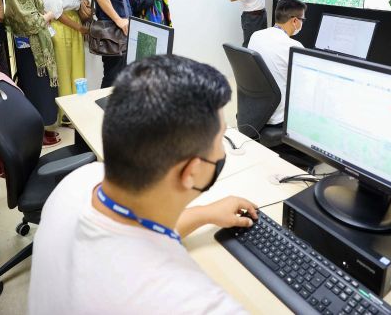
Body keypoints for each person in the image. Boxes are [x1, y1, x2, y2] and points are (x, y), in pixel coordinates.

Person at [28, 55, 257, 314]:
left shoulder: (76, 183)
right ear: (191, 171)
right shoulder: (195, 303)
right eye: (220, 138)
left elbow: (137, 233)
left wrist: (205, 214)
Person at [3, 0, 61, 146]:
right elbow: (31, 21)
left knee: (43, 86)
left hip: (38, 41)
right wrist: (48, 15)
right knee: (36, 87)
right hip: (30, 45)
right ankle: (37, 132)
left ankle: (44, 127)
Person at [37, 0, 89, 122]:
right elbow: (56, 13)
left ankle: (80, 109)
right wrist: (80, 28)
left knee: (78, 67)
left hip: (75, 24)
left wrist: (81, 25)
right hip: (61, 28)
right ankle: (66, 114)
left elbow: (79, 3)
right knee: (63, 69)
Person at [247, 0, 307, 126]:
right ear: (295, 21)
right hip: (278, 118)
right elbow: (305, 87)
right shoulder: (294, 47)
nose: (302, 23)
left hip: (254, 110)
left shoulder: (256, 35)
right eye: (303, 20)